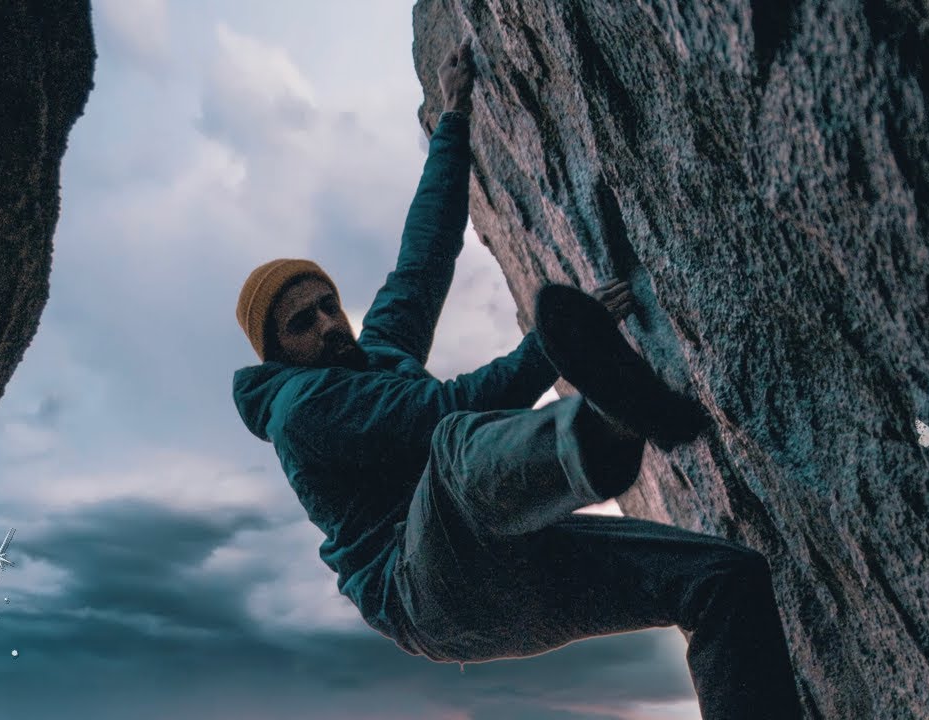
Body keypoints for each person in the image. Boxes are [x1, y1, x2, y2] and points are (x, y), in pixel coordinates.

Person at [231, 36, 803, 720]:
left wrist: (454, 116)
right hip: (428, 591)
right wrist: (547, 352)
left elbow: (424, 254)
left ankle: (609, 427)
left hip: (516, 569)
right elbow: (451, 408)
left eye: (328, 305)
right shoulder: (303, 410)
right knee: (451, 444)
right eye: (303, 323)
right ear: (279, 353)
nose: (328, 324)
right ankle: (602, 430)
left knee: (723, 578)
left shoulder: (374, 352)